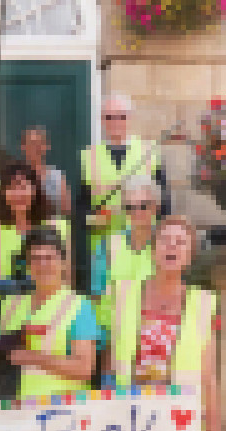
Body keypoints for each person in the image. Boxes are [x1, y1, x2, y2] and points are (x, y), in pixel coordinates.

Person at [100, 216, 221, 431]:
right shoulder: (122, 294)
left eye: (181, 242)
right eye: (165, 240)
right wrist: (104, 409)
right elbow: (108, 357)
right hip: (129, 420)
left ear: (189, 257)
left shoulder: (203, 302)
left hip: (181, 422)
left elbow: (209, 375)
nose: (172, 247)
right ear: (153, 250)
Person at [77, 94, 170, 292]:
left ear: (130, 118)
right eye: (109, 117)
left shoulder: (149, 152)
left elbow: (164, 201)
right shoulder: (89, 156)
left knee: (146, 292)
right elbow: (81, 207)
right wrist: (95, 220)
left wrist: (162, 236)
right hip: (104, 246)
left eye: (121, 116)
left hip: (144, 240)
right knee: (106, 296)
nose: (115, 122)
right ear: (102, 120)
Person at [0, 227, 101, 398]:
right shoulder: (9, 305)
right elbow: (0, 361)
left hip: (63, 410)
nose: (43, 265)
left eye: (49, 258)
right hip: (17, 411)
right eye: (36, 259)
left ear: (63, 263)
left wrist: (35, 358)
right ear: (27, 266)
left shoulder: (79, 306)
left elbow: (84, 368)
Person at [0, 162, 70, 298]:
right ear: (2, 193)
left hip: (48, 309)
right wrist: (8, 289)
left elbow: (67, 278)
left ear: (35, 190)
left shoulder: (56, 227)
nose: (18, 194)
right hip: (1, 309)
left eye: (23, 187)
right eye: (11, 188)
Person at [93, 174, 160, 326]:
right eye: (130, 207)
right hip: (111, 334)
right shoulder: (106, 246)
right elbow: (97, 296)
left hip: (152, 337)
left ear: (156, 207)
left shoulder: (167, 245)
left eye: (143, 206)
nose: (136, 212)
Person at [22, 126, 72, 216]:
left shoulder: (56, 178)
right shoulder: (15, 176)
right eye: (31, 144)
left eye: (39, 144)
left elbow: (66, 210)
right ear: (23, 147)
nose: (35, 148)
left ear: (46, 147)